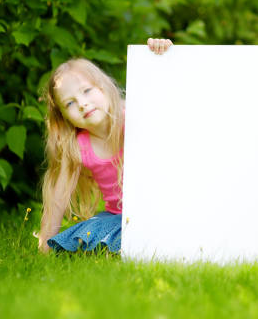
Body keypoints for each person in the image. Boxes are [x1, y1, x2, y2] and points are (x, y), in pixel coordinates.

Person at [37, 38, 173, 254]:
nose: (82, 104)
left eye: (87, 91)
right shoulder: (79, 147)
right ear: (64, 117)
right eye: (70, 103)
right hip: (117, 219)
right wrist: (45, 243)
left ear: (103, 88)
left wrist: (161, 55)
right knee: (91, 233)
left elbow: (169, 105)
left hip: (159, 210)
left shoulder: (135, 118)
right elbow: (58, 196)